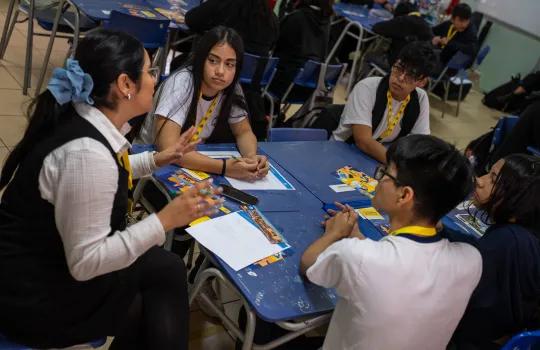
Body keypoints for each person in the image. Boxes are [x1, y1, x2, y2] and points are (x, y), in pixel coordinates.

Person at [0, 29, 222, 349]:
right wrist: (165, 220)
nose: (155, 79)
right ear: (125, 85)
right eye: (150, 72)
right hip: (33, 297)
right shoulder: (86, 156)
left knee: (165, 269)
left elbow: (114, 166)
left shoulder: (82, 118)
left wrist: (158, 160)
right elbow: (85, 263)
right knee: (157, 285)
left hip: (36, 264)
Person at [301, 134, 482, 350]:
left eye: (385, 173)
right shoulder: (472, 260)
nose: (379, 179)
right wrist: (357, 236)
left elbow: (308, 265)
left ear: (404, 195)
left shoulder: (357, 257)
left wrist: (333, 233)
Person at [137, 26, 269, 181]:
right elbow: (168, 148)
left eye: (229, 64)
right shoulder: (182, 83)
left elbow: (243, 132)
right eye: (213, 61)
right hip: (151, 163)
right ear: (201, 59)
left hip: (194, 160)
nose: (220, 71)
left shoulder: (232, 87)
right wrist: (225, 168)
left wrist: (251, 158)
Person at [451, 154, 540, 349]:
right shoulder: (523, 232)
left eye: (493, 179)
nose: (480, 181)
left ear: (519, 195)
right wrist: (446, 232)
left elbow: (468, 311)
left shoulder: (507, 241)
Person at [331, 41, 437, 163]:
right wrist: (397, 167)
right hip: (343, 151)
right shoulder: (367, 88)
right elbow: (363, 141)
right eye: (399, 68)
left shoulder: (420, 98)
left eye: (410, 75)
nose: (400, 78)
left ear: (422, 82)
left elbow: (419, 144)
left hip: (374, 158)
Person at [268, 0, 333, 124]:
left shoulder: (295, 18)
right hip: (309, 88)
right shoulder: (326, 22)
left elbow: (273, 45)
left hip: (284, 84)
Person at [185, 0, 278, 57]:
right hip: (249, 82)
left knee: (177, 63)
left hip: (214, 71)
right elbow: (272, 46)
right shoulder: (272, 18)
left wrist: (208, 31)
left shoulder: (225, 3)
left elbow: (191, 20)